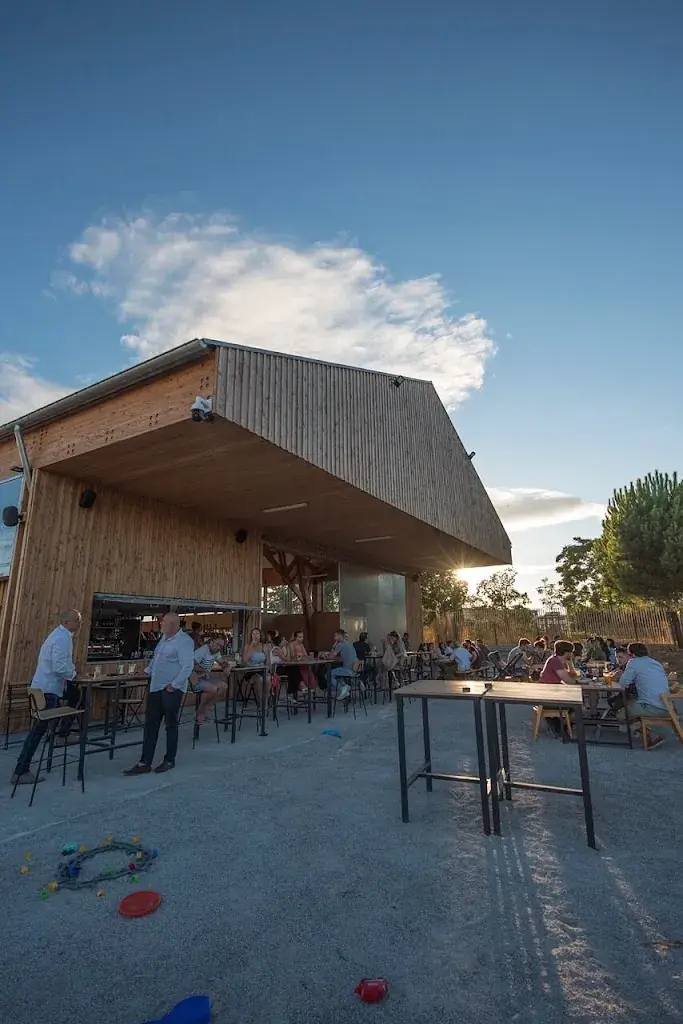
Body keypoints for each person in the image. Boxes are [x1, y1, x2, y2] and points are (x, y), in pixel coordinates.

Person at [10, 609, 82, 787]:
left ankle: (63, 733)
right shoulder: (62, 638)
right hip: (47, 690)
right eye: (77, 621)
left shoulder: (60, 635)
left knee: (76, 694)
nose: (79, 624)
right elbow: (59, 666)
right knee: (38, 731)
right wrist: (74, 674)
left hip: (46, 687)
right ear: (67, 622)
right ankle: (21, 770)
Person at [124, 613, 195, 775]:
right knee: (150, 726)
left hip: (170, 690)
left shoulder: (184, 641)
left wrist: (174, 686)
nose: (160, 624)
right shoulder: (163, 638)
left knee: (170, 725)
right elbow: (156, 660)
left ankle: (169, 760)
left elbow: (187, 667)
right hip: (155, 687)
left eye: (163, 622)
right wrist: (146, 671)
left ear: (172, 625)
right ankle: (145, 762)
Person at [616, 643, 670, 748]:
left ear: (632, 654)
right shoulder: (655, 663)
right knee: (631, 703)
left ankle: (651, 735)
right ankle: (638, 727)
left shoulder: (633, 662)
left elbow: (623, 683)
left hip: (653, 707)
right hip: (667, 706)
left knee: (621, 714)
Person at [193, 637, 228, 723]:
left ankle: (204, 710)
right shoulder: (203, 650)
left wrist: (226, 667)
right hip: (193, 680)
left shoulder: (216, 652)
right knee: (212, 689)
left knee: (224, 686)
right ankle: (200, 714)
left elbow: (222, 663)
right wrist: (204, 670)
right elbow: (190, 665)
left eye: (221, 646)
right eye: (217, 645)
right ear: (211, 642)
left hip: (204, 678)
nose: (219, 647)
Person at [329, 629, 358, 701]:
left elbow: (330, 657)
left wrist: (334, 646)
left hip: (348, 670)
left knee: (329, 674)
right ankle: (345, 687)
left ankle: (342, 688)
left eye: (335, 636)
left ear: (339, 636)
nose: (334, 637)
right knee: (337, 674)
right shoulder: (349, 644)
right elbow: (344, 657)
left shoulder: (340, 644)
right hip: (355, 669)